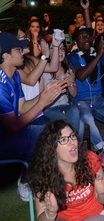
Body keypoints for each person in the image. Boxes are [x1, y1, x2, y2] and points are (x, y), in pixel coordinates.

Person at [0, 32, 67, 201]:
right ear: (6, 56)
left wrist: (46, 95)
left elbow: (22, 107)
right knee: (39, 134)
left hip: (9, 134)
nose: (23, 51)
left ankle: (48, 177)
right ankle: (25, 180)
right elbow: (13, 126)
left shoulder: (14, 74)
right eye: (17, 49)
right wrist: (41, 103)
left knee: (52, 129)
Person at [27, 119, 104, 221]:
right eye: (63, 140)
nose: (72, 142)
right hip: (63, 219)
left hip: (94, 215)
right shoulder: (42, 174)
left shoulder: (89, 159)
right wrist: (51, 212)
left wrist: (103, 192)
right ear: (51, 148)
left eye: (72, 136)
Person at [67, 26, 104, 146]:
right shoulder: (73, 56)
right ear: (76, 41)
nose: (86, 38)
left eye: (88, 35)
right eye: (81, 36)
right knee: (87, 118)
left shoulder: (96, 55)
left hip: (97, 98)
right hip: (80, 100)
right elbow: (81, 75)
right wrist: (98, 56)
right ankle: (101, 148)